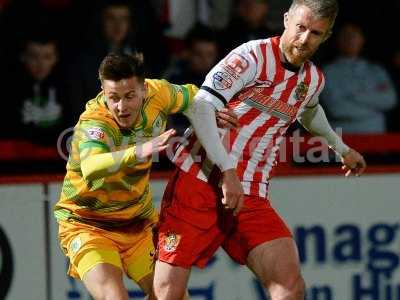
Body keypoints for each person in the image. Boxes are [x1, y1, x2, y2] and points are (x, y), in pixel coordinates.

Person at [153, 1, 367, 299]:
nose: (305, 39)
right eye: (301, 27)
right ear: (285, 20)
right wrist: (227, 171)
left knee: (290, 287)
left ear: (326, 36)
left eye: (316, 33)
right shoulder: (251, 56)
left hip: (250, 193)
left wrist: (341, 148)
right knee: (166, 292)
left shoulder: (312, 80)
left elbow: (308, 110)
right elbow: (202, 105)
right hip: (199, 181)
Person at [54, 53, 238, 300]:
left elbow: (195, 97)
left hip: (138, 224)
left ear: (143, 88)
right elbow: (91, 166)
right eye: (113, 98)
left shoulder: (159, 93)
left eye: (129, 96)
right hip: (87, 225)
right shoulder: (95, 122)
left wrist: (211, 112)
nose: (121, 106)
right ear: (103, 92)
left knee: (171, 295)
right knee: (114, 296)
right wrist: (141, 150)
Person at [320, 22, 397, 133]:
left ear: (362, 39)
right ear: (336, 40)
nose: (350, 40)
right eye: (345, 36)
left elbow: (390, 100)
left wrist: (354, 95)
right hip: (342, 140)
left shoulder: (376, 70)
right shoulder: (327, 72)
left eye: (354, 35)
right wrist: (376, 110)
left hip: (375, 139)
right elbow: (337, 109)